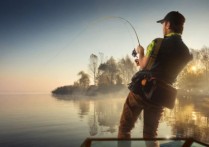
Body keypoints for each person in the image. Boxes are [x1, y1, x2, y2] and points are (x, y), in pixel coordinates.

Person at [117, 11, 193, 146]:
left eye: (163, 24)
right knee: (150, 134)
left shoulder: (157, 42)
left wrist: (140, 53)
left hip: (141, 91)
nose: (162, 27)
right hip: (160, 95)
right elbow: (164, 69)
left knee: (125, 127)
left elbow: (143, 65)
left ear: (168, 24)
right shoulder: (186, 52)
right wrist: (146, 65)